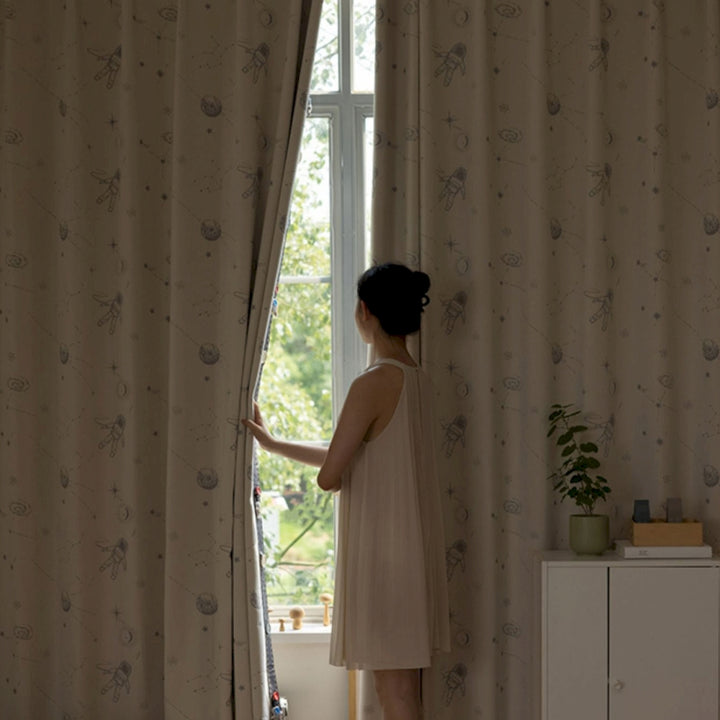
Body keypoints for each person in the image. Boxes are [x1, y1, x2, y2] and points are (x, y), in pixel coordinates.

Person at [242, 263, 450, 720]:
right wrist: (274, 444)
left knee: (394, 692)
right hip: (411, 553)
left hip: (384, 556)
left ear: (364, 311)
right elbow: (353, 456)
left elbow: (330, 475)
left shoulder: (373, 382)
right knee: (402, 690)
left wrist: (283, 450)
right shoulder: (419, 380)